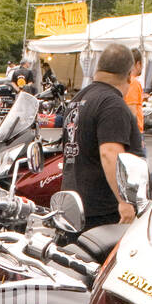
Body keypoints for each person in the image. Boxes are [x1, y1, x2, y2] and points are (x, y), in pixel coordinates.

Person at [61, 42, 145, 231]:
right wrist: (124, 201)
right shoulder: (112, 104)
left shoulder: (77, 100)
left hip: (73, 203)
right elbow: (109, 154)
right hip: (101, 212)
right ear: (129, 73)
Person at [125, 49, 145, 140]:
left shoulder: (124, 80)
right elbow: (132, 110)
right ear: (138, 64)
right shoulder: (133, 82)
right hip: (135, 132)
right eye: (142, 64)